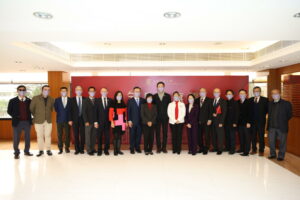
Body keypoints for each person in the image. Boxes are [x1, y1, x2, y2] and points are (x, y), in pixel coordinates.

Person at [7, 85, 33, 159]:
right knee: (16, 138)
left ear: (25, 91)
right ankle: (16, 152)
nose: (22, 91)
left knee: (27, 138)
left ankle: (26, 151)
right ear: (17, 91)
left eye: (23, 90)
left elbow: (31, 111)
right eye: (20, 90)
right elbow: (9, 111)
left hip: (27, 122)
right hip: (17, 123)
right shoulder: (12, 101)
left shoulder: (29, 100)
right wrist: (15, 116)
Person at [267, 89, 292, 161]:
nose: (275, 95)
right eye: (273, 94)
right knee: (271, 142)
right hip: (271, 127)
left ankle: (281, 156)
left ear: (280, 94)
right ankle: (272, 154)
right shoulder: (270, 103)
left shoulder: (286, 103)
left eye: (276, 93)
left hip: (282, 127)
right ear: (271, 95)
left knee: (282, 142)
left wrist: (282, 121)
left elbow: (289, 115)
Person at [30, 85, 54, 157]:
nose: (47, 91)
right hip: (38, 120)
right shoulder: (35, 98)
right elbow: (31, 108)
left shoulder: (52, 99)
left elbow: (52, 109)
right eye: (45, 89)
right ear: (42, 90)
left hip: (48, 120)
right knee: (39, 136)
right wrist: (37, 115)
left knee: (48, 135)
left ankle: (48, 150)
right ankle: (41, 150)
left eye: (48, 90)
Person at [249, 86, 268, 156]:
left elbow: (267, 110)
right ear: (253, 92)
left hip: (261, 122)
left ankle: (261, 150)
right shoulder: (250, 100)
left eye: (258, 91)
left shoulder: (265, 100)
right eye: (255, 91)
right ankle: (254, 149)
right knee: (253, 136)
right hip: (252, 122)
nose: (256, 92)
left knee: (261, 136)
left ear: (260, 92)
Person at [153, 81, 171, 153]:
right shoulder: (154, 96)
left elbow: (170, 107)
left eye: (161, 86)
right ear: (157, 87)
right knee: (157, 133)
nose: (160, 87)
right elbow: (153, 108)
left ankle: (164, 147)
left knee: (165, 132)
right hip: (156, 118)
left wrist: (169, 116)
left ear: (164, 87)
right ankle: (158, 148)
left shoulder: (168, 96)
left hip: (165, 117)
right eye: (159, 86)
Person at [94, 87, 112, 156]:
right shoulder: (97, 100)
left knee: (107, 137)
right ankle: (99, 150)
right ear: (101, 92)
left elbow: (112, 112)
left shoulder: (110, 100)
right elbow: (95, 112)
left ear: (107, 92)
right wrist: (95, 122)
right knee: (99, 137)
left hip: (108, 122)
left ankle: (106, 150)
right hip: (99, 122)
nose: (104, 92)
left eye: (105, 91)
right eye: (102, 91)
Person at [127, 86, 145, 154]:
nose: (137, 92)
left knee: (139, 135)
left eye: (138, 91)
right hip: (132, 121)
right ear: (133, 92)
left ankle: (137, 147)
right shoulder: (130, 101)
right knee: (132, 135)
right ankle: (132, 148)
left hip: (140, 122)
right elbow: (128, 111)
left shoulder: (143, 100)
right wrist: (129, 120)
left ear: (140, 92)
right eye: (136, 91)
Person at [195, 88, 212, 154]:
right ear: (199, 93)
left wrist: (210, 119)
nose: (202, 93)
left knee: (207, 135)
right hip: (198, 121)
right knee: (199, 135)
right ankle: (201, 147)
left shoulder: (210, 100)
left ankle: (206, 148)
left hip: (207, 121)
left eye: (203, 91)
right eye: (201, 91)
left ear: (206, 92)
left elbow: (211, 110)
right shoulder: (196, 100)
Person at [68, 86, 86, 155]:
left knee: (82, 135)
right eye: (77, 90)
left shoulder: (85, 99)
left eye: (80, 90)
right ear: (75, 91)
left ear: (82, 91)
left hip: (83, 120)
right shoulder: (72, 100)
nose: (79, 91)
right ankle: (77, 149)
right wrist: (70, 119)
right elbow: (70, 111)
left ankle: (81, 149)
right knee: (75, 135)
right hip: (74, 120)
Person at [109, 91, 127, 156]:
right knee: (115, 137)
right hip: (115, 122)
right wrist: (111, 121)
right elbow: (110, 113)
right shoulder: (112, 103)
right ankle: (115, 150)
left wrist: (126, 122)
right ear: (115, 96)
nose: (119, 96)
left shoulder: (123, 103)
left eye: (120, 95)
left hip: (122, 123)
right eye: (118, 95)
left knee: (119, 137)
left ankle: (118, 150)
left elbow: (125, 114)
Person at [54, 87, 71, 154]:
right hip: (59, 120)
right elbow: (56, 109)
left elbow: (71, 111)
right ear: (60, 92)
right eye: (62, 91)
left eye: (65, 91)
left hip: (67, 120)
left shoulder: (70, 100)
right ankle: (60, 148)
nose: (64, 92)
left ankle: (67, 147)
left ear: (67, 92)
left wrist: (70, 119)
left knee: (67, 135)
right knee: (59, 135)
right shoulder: (57, 100)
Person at [211, 88, 227, 155]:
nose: (216, 93)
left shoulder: (223, 101)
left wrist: (221, 122)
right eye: (215, 92)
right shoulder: (212, 101)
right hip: (212, 122)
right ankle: (215, 147)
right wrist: (212, 114)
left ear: (220, 93)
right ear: (213, 93)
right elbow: (211, 110)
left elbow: (224, 113)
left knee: (220, 136)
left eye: (217, 92)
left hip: (219, 122)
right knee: (213, 135)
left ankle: (220, 149)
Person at [82, 86, 97, 156]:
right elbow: (84, 112)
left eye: (93, 91)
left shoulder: (97, 100)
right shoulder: (85, 101)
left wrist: (97, 121)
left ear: (95, 92)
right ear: (88, 92)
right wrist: (86, 121)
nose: (92, 92)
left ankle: (93, 148)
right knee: (88, 136)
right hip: (88, 122)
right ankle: (88, 149)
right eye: (90, 91)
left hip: (95, 122)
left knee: (93, 136)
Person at [224, 90, 239, 154]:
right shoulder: (225, 102)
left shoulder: (235, 103)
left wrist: (235, 122)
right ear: (226, 95)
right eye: (228, 94)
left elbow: (237, 113)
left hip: (232, 123)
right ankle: (227, 147)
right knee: (227, 136)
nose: (229, 95)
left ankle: (232, 149)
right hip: (226, 123)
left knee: (232, 136)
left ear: (233, 95)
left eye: (230, 94)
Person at [237, 89, 251, 156]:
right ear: (239, 95)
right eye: (240, 94)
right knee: (241, 137)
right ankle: (242, 148)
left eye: (243, 93)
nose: (242, 95)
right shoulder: (237, 102)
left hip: (246, 123)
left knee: (247, 137)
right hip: (239, 123)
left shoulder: (249, 102)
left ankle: (246, 151)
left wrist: (249, 122)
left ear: (246, 95)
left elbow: (251, 113)